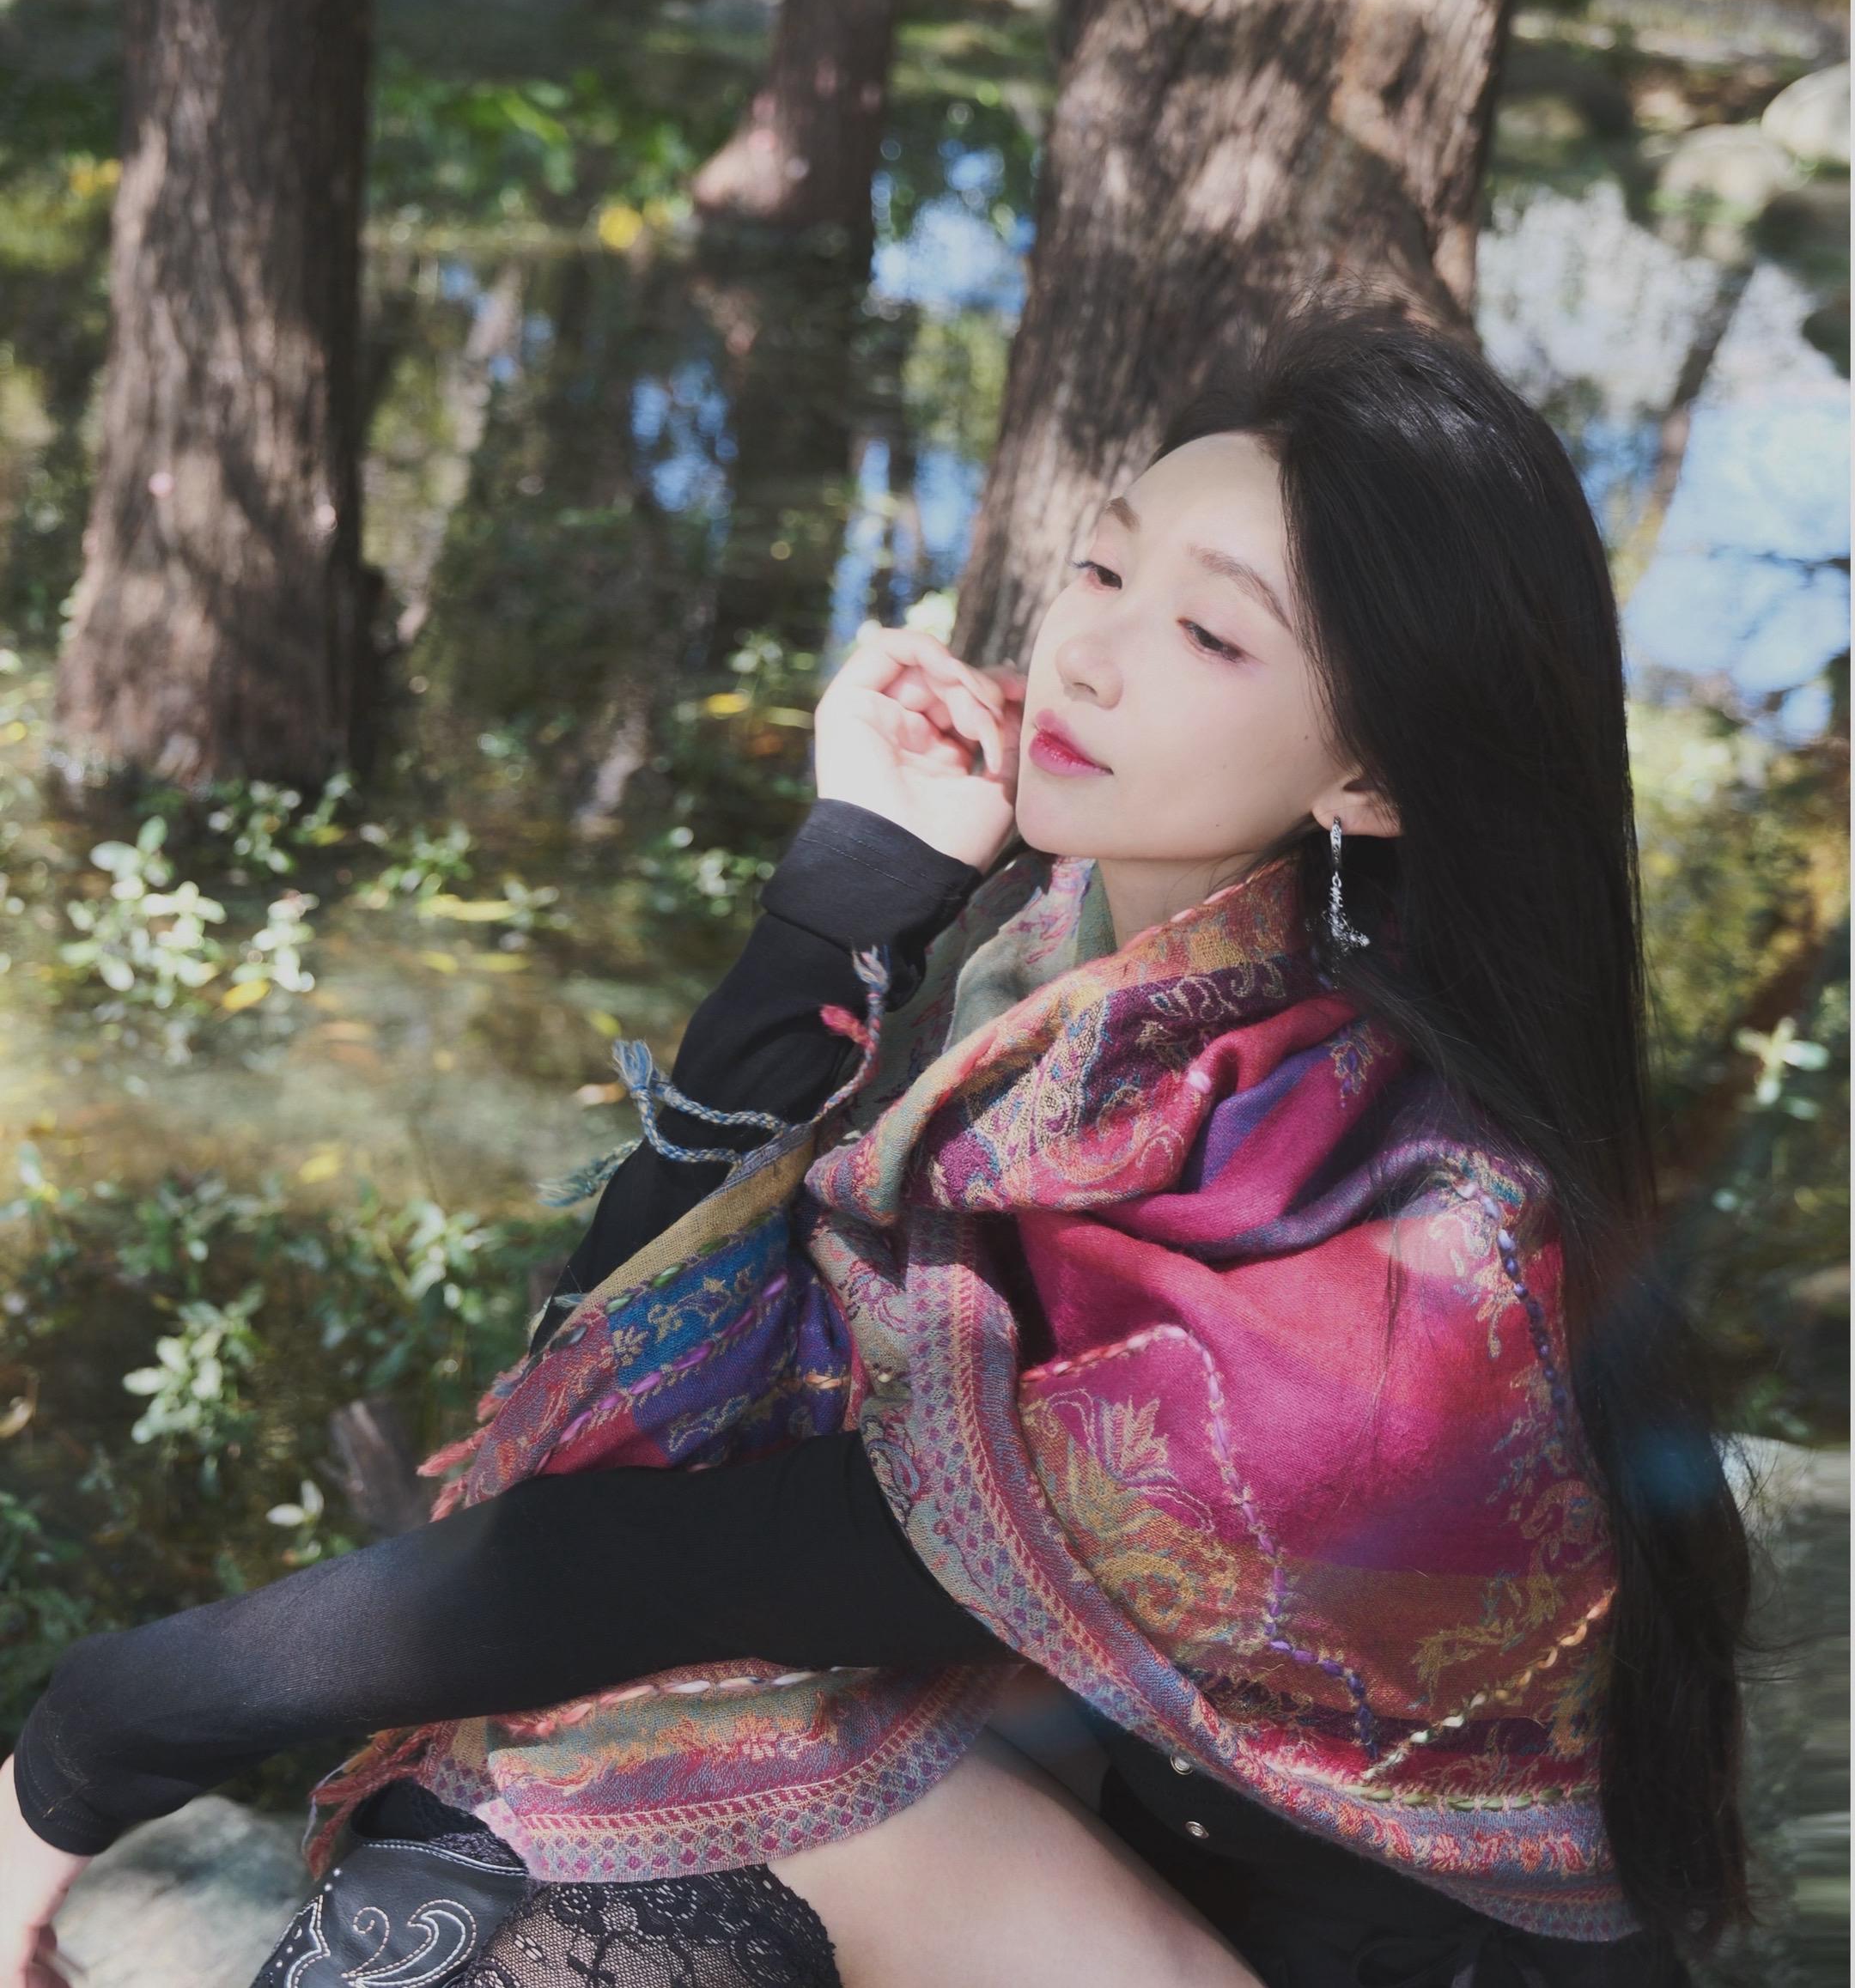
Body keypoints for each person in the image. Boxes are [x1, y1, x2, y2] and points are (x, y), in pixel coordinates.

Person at [0, 308, 1750, 1988]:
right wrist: (851, 891)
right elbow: (624, 1396)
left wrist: (92, 1737)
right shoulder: (1066, 1015)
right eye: (1104, 567)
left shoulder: (1398, 1259)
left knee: (619, 1759)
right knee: (559, 1769)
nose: (1089, 652)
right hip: (1098, 1869)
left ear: (1372, 775)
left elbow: (686, 1561)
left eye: (1213, 637)